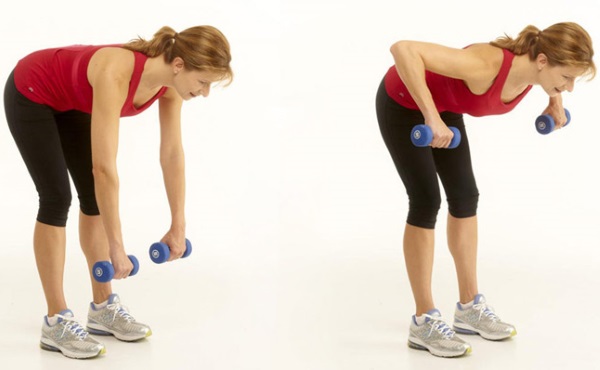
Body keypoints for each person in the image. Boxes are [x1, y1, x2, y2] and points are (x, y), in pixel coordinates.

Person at [4, 25, 233, 359]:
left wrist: (178, 225)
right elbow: (104, 168)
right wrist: (116, 246)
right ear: (180, 64)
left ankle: (102, 308)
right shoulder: (116, 72)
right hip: (32, 90)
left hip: (70, 100)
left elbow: (171, 154)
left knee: (93, 199)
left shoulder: (170, 85)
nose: (206, 92)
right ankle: (55, 321)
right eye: (204, 82)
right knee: (57, 198)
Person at [375, 22, 595, 358]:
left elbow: (553, 75)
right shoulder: (485, 64)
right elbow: (403, 49)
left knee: (465, 198)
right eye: (567, 79)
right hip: (404, 102)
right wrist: (431, 117)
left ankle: (468, 308)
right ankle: (423, 320)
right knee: (425, 200)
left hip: (444, 107)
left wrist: (554, 99)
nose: (569, 88)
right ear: (542, 62)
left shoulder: (536, 68)